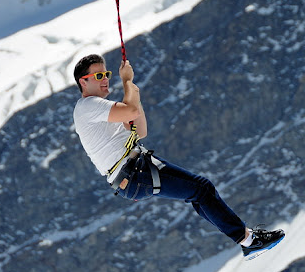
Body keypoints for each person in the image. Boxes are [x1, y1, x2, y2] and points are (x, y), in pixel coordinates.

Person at [72, 53, 284, 259]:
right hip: (135, 173)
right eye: (99, 76)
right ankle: (247, 240)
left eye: (106, 74)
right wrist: (127, 81)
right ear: (83, 82)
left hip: (135, 173)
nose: (106, 79)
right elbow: (131, 113)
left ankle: (247, 239)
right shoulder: (88, 106)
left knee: (200, 192)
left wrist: (133, 94)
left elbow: (140, 129)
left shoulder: (99, 110)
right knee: (201, 189)